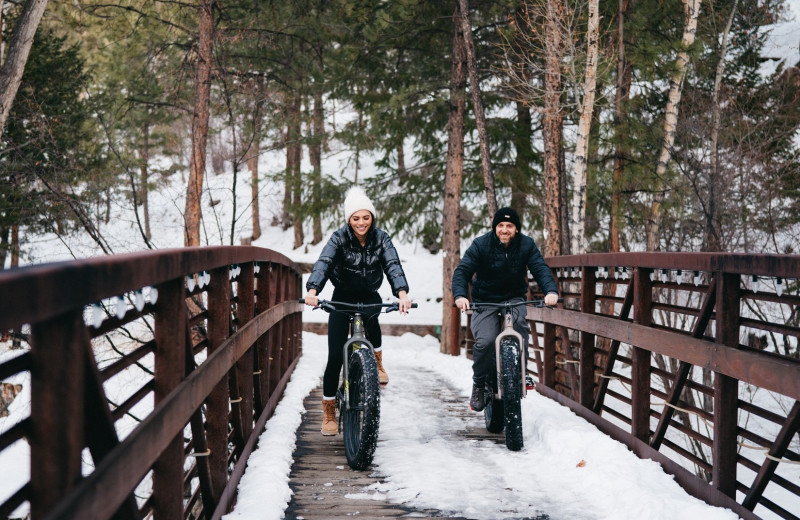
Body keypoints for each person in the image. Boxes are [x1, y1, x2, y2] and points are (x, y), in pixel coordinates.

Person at [304, 186, 412, 435]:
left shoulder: (381, 238)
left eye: (366, 217)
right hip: (342, 297)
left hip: (369, 294)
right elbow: (324, 263)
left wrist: (402, 294)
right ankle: (329, 410)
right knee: (334, 357)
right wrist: (312, 291)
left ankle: (377, 362)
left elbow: (393, 265)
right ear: (349, 219)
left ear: (372, 217)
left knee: (373, 315)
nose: (361, 223)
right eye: (356, 218)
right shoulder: (339, 238)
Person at [452, 207, 559, 412]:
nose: (504, 229)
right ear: (495, 227)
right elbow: (462, 271)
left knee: (519, 327)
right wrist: (460, 295)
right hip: (485, 300)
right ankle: (479, 384)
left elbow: (540, 268)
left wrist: (551, 291)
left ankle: (520, 372)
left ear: (516, 229)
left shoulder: (526, 244)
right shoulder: (481, 244)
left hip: (513, 298)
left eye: (509, 226)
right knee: (485, 340)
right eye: (500, 225)